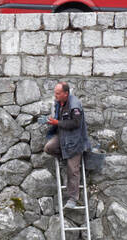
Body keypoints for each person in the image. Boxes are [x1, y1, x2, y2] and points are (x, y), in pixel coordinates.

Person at [43, 81, 89, 209]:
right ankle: (64, 155)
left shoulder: (75, 105)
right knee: (49, 148)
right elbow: (59, 119)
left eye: (58, 93)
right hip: (63, 137)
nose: (55, 95)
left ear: (65, 93)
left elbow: (75, 123)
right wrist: (52, 122)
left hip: (75, 140)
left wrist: (57, 122)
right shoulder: (59, 102)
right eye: (55, 93)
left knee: (72, 170)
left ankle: (73, 199)